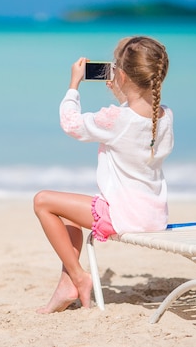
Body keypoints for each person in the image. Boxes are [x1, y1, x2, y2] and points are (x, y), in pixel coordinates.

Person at [33, 36, 174, 314]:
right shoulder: (166, 116)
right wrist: (124, 94)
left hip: (124, 216)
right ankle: (67, 285)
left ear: (120, 74)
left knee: (42, 201)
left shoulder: (116, 119)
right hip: (154, 215)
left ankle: (78, 277)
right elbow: (133, 121)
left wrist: (74, 84)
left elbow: (71, 123)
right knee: (68, 216)